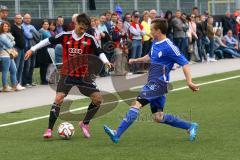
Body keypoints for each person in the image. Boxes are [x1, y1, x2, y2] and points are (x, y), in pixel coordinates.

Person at [103, 18, 199, 144]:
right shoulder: (155, 42)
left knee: (136, 104)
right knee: (158, 117)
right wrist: (136, 60)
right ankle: (190, 126)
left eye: (152, 29)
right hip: (155, 84)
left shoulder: (169, 47)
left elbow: (185, 64)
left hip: (158, 84)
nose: (150, 31)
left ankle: (117, 133)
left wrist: (189, 82)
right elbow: (149, 56)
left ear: (158, 31)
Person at [24, 13, 112, 139]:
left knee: (98, 100)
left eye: (85, 29)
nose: (83, 31)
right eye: (81, 27)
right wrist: (32, 49)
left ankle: (85, 123)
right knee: (59, 98)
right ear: (75, 24)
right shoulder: (65, 36)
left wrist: (106, 62)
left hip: (83, 76)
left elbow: (99, 52)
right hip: (67, 74)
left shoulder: (90, 38)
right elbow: (47, 41)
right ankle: (49, 129)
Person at [0, 21, 24, 91]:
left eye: (7, 26)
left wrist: (12, 42)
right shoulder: (2, 36)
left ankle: (14, 85)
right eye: (4, 26)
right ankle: (5, 86)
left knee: (14, 70)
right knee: (5, 71)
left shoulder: (8, 34)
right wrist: (12, 42)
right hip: (4, 55)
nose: (6, 27)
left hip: (10, 54)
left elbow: (11, 43)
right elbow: (10, 44)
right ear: (1, 27)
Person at [22, 13, 41, 87]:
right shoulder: (22, 26)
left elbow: (38, 36)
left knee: (32, 65)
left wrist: (32, 32)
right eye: (26, 18)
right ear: (23, 19)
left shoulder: (32, 26)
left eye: (29, 18)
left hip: (33, 48)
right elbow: (29, 36)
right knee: (27, 65)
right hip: (26, 48)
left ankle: (30, 81)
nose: (28, 19)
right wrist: (33, 32)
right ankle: (24, 82)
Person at [11, 14, 26, 86]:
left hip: (22, 49)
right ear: (14, 19)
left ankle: (18, 83)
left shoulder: (22, 27)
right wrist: (12, 47)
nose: (19, 20)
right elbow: (11, 39)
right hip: (16, 49)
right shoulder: (12, 27)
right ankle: (14, 83)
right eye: (17, 18)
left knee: (21, 67)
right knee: (16, 67)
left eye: (20, 18)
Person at [38, 20, 52, 85]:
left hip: (48, 49)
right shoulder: (41, 31)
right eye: (45, 24)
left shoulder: (48, 31)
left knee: (47, 65)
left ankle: (46, 79)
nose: (46, 25)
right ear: (42, 25)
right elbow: (40, 41)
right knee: (43, 66)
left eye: (47, 24)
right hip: (43, 50)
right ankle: (43, 80)